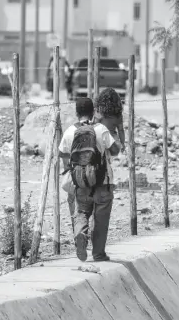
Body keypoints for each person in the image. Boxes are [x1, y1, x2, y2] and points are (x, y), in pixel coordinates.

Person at [59, 98, 120, 262]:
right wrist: (115, 134)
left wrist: (76, 168)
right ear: (93, 111)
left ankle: (80, 233)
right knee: (101, 219)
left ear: (77, 112)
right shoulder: (101, 129)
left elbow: (62, 153)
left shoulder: (70, 131)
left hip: (80, 183)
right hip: (102, 183)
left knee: (81, 213)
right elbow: (115, 151)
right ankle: (98, 253)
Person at [94, 88, 126, 152]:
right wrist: (122, 143)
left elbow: (95, 126)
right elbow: (121, 130)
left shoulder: (99, 111)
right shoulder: (118, 115)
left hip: (100, 139)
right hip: (112, 140)